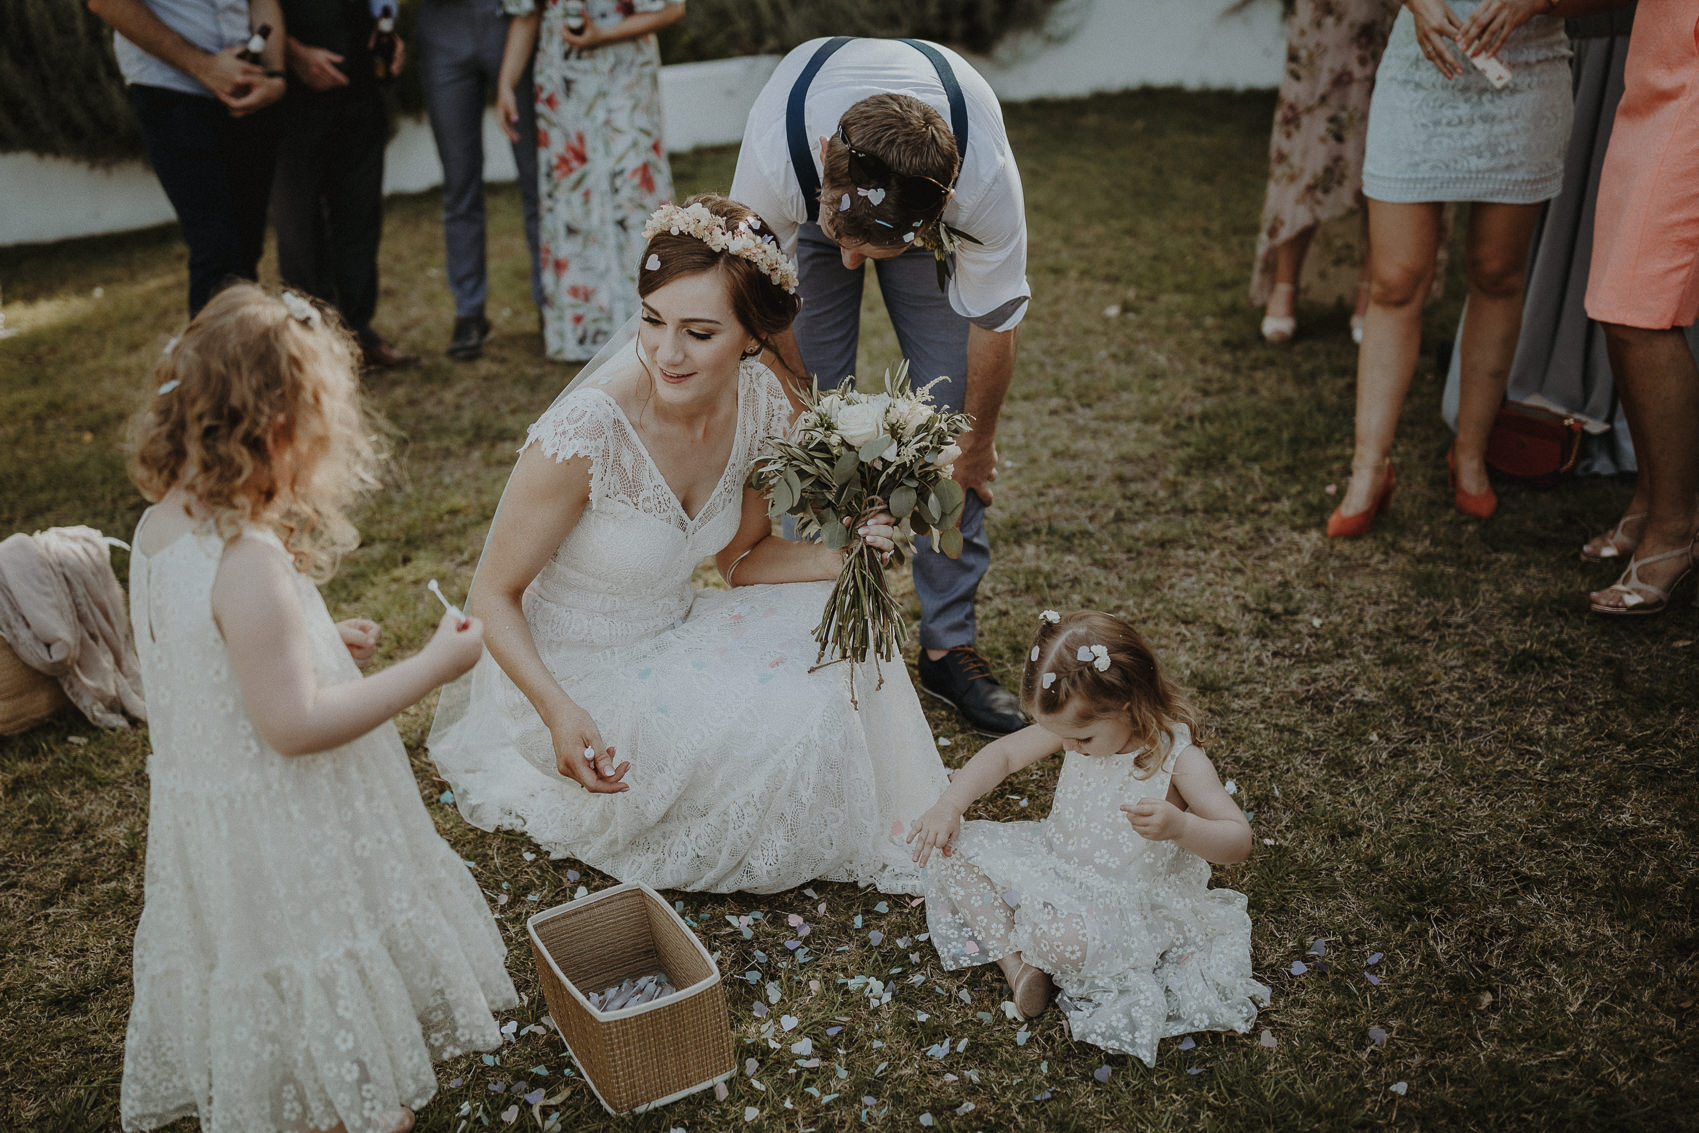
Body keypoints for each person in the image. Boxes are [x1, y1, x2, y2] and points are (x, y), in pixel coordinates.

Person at [428, 195, 951, 894]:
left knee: (840, 642)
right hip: (573, 681)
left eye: (698, 333)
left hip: (675, 632)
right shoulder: (587, 432)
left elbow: (741, 561)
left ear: (750, 336)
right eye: (651, 321)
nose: (665, 353)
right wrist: (558, 709)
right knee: (770, 741)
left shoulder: (762, 404)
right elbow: (491, 596)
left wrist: (843, 556)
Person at [119, 284, 515, 1133]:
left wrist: (317, 633)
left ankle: (322, 1096)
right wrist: (434, 665)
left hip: (213, 812)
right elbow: (292, 726)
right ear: (280, 430)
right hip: (278, 812)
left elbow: (205, 652)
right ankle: (346, 1105)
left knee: (259, 953)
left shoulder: (158, 528)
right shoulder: (248, 559)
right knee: (304, 947)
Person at [729, 37, 1030, 736]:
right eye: (844, 238)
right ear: (827, 144)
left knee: (947, 418)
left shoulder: (981, 188)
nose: (847, 261)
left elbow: (993, 322)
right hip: (806, 207)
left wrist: (977, 443)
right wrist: (806, 396)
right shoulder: (778, 155)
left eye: (867, 250)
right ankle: (815, 627)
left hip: (913, 225)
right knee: (806, 432)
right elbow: (754, 300)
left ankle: (947, 645)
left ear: (947, 201)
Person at [906, 609, 1265, 1064]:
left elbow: (1238, 840)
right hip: (1056, 862)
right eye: (1061, 737)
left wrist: (1182, 826)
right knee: (951, 850)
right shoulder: (1077, 727)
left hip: (1127, 897)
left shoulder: (1180, 760)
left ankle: (1034, 950)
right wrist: (949, 806)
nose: (1069, 747)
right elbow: (1002, 756)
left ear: (1127, 706)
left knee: (1066, 942)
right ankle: (1020, 970)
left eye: (1083, 739)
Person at [1327, 0, 1573, 537]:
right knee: (1394, 281)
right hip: (1421, 73)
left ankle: (1470, 454)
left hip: (1525, 79)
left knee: (1496, 273)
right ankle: (1369, 469)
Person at [1583, 2, 1699, 615]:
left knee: (1639, 306)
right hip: (1658, 55)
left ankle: (1676, 533)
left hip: (1693, 69)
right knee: (1615, 300)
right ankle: (1652, 500)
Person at [494, 0, 686, 362]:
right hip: (561, 79)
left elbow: (671, 9)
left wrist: (603, 33)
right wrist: (507, 83)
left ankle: (653, 323)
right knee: (574, 197)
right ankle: (584, 332)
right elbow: (526, 14)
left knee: (634, 194)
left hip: (625, 73)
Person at [88, 0, 288, 316]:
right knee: (217, 253)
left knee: (246, 251)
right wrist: (203, 66)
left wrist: (276, 77)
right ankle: (212, 364)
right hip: (171, 88)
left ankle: (240, 359)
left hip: (248, 86)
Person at [270, 0, 419, 369]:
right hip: (293, 97)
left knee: (360, 217)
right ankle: (314, 351)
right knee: (299, 226)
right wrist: (293, 53)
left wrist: (387, 33)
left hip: (360, 84)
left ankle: (358, 336)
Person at [1251, 0, 1394, 345]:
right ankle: (1284, 286)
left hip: (1395, 15)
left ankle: (1371, 292)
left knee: (1387, 143)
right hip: (1327, 15)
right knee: (1306, 142)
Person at [418, 0, 544, 361]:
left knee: (536, 180)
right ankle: (469, 312)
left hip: (507, 17)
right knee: (459, 183)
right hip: (441, 27)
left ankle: (550, 303)